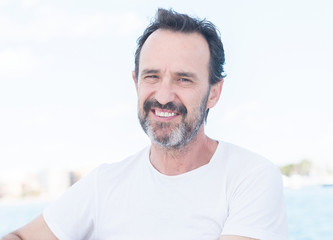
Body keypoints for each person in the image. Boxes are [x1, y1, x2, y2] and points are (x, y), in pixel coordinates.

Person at [3, 8, 288, 240]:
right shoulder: (104, 185)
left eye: (183, 79)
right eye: (151, 76)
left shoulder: (250, 178)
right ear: (135, 82)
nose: (163, 96)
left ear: (214, 92)